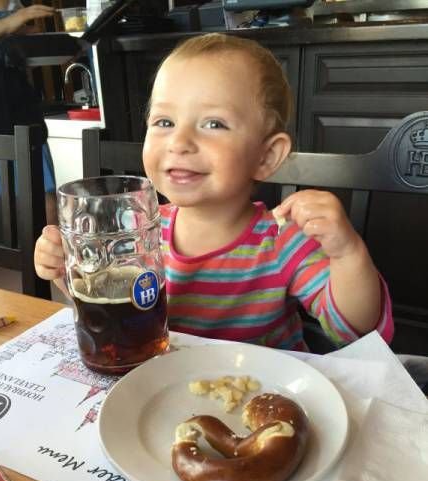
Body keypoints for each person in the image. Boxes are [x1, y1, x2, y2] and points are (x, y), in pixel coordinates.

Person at [34, 33, 394, 352]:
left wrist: (347, 253)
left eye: (213, 123)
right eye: (164, 122)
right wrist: (64, 269)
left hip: (259, 395)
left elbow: (354, 330)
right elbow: (110, 309)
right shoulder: (136, 231)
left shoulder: (283, 240)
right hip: (162, 393)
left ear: (266, 156)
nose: (179, 141)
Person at [0, 0, 57, 232]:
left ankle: (49, 254)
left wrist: (46, 46)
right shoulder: (17, 11)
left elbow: (23, 61)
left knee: (46, 199)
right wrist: (10, 22)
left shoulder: (15, 4)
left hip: (19, 104)